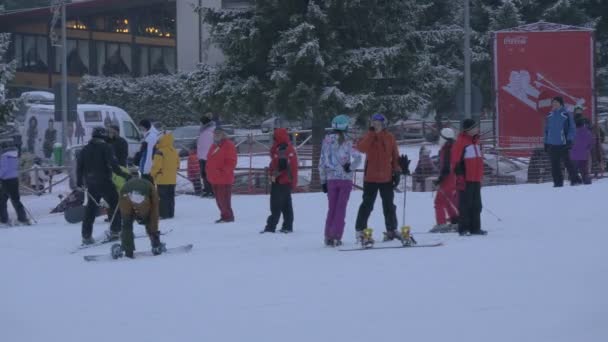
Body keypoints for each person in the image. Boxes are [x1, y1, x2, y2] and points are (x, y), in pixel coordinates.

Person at [76, 126, 130, 245]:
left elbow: (79, 167)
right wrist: (125, 175)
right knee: (114, 203)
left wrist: (79, 182)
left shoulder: (85, 149)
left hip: (90, 183)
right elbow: (113, 165)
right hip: (104, 181)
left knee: (90, 209)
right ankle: (115, 231)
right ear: (103, 136)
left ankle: (86, 236)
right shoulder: (106, 147)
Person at [354, 113, 402, 244]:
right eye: (374, 123)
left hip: (386, 178)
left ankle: (392, 229)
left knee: (389, 206)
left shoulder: (389, 137)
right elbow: (361, 148)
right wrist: (371, 134)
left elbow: (395, 155)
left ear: (383, 124)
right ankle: (360, 230)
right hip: (370, 178)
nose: (376, 125)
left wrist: (397, 171)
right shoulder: (368, 136)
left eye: (379, 123)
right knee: (367, 205)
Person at [318, 115, 361, 246]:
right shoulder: (348, 141)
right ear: (346, 126)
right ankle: (336, 235)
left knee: (331, 208)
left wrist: (323, 181)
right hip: (344, 180)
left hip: (331, 179)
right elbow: (358, 158)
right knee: (340, 209)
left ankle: (327, 235)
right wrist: (350, 167)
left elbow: (322, 162)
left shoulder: (326, 141)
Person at [115, 176, 166, 258]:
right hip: (140, 195)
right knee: (148, 219)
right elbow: (154, 213)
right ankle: (156, 245)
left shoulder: (130, 183)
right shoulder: (152, 188)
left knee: (126, 223)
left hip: (124, 194)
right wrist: (153, 229)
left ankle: (128, 252)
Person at [451, 119, 487, 236]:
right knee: (465, 205)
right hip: (465, 179)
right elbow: (455, 162)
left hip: (476, 179)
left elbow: (479, 162)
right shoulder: (461, 142)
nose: (477, 129)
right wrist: (460, 177)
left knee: (477, 205)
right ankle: (464, 229)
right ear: (468, 130)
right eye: (475, 127)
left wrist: (481, 176)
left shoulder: (476, 143)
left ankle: (475, 228)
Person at [261, 128, 299, 234]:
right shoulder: (288, 147)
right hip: (288, 181)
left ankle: (270, 227)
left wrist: (273, 174)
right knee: (286, 205)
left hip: (280, 181)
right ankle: (288, 226)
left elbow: (281, 166)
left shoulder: (281, 149)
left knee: (275, 205)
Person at [544, 96, 577, 187]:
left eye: (556, 102)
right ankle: (557, 183)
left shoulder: (566, 114)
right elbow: (546, 130)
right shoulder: (549, 115)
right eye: (553, 102)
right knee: (555, 165)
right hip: (552, 144)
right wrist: (546, 142)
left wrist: (570, 140)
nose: (554, 104)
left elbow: (572, 128)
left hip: (563, 143)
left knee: (568, 163)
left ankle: (575, 180)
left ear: (561, 104)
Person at [205, 126, 237, 223]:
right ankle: (224, 215)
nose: (216, 135)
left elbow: (231, 161)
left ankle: (228, 217)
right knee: (219, 200)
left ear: (223, 134)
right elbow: (209, 159)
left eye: (219, 133)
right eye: (215, 133)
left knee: (224, 200)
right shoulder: (214, 145)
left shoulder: (228, 145)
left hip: (224, 178)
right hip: (214, 178)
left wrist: (223, 172)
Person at [431, 128, 459, 233]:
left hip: (447, 179)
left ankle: (441, 223)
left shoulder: (446, 149)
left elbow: (446, 168)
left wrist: (439, 180)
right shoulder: (454, 147)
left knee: (438, 201)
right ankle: (455, 219)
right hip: (454, 178)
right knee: (448, 200)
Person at [0, 139, 29, 225]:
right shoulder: (14, 156)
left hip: (6, 180)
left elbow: (4, 169)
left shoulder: (4, 156)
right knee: (16, 199)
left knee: (2, 200)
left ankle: (4, 220)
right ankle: (22, 218)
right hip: (14, 179)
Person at [151, 132, 180, 219]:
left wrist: (153, 174)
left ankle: (163, 214)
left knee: (162, 197)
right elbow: (178, 164)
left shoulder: (160, 152)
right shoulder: (174, 151)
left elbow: (156, 165)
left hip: (162, 178)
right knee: (171, 197)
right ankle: (171, 213)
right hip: (172, 178)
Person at [197, 113, 216, 197]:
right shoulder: (202, 131)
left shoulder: (212, 130)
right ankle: (207, 189)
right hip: (202, 156)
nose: (200, 124)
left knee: (210, 173)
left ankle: (213, 190)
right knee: (203, 173)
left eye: (201, 122)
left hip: (210, 156)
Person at [570, 118, 593, 185]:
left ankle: (574, 181)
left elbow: (570, 142)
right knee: (584, 170)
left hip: (574, 154)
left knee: (574, 170)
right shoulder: (587, 132)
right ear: (583, 124)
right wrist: (587, 149)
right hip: (584, 154)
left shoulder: (573, 132)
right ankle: (586, 181)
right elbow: (591, 143)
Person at [137, 119, 160, 183]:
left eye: (141, 127)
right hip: (145, 164)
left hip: (147, 165)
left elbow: (149, 153)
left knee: (147, 183)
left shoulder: (151, 136)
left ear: (145, 126)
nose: (141, 129)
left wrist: (147, 168)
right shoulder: (148, 134)